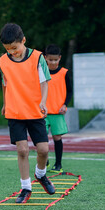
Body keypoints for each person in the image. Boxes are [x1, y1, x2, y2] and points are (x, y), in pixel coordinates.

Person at [0, 23, 55, 204]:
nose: (12, 52)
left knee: (43, 150)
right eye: (8, 49)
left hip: (35, 110)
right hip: (15, 111)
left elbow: (44, 82)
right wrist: (5, 103)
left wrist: (43, 102)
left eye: (15, 48)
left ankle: (40, 174)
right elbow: (5, 83)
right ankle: (25, 187)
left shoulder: (37, 57)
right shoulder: (2, 61)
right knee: (22, 150)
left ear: (23, 41)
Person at [44, 44, 73, 173]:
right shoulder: (41, 72)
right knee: (41, 139)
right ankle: (44, 160)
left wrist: (65, 104)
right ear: (45, 58)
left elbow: (70, 91)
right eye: (50, 60)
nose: (53, 62)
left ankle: (58, 164)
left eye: (56, 60)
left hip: (57, 112)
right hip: (42, 113)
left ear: (60, 58)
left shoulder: (64, 73)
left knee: (57, 138)